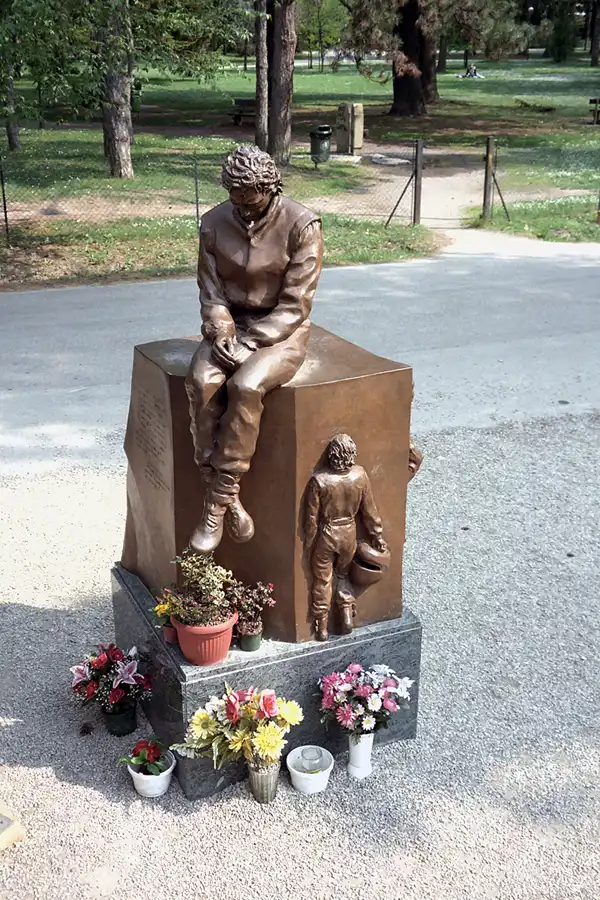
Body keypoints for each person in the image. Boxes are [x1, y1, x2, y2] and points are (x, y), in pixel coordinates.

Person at [185, 145, 323, 553]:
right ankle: (232, 500)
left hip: (281, 331)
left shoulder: (302, 224)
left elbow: (296, 303)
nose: (242, 208)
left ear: (269, 188)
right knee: (202, 380)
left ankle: (214, 506)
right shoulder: (212, 224)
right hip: (230, 327)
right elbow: (210, 291)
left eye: (250, 199)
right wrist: (222, 328)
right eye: (234, 198)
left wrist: (250, 342)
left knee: (246, 385)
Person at [304, 434, 388, 642]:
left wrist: (309, 544)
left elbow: (311, 520)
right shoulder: (360, 476)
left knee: (323, 580)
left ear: (332, 454)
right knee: (342, 575)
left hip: (328, 534)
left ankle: (321, 627)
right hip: (349, 534)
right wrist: (377, 535)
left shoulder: (320, 480)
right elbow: (369, 512)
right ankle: (345, 614)